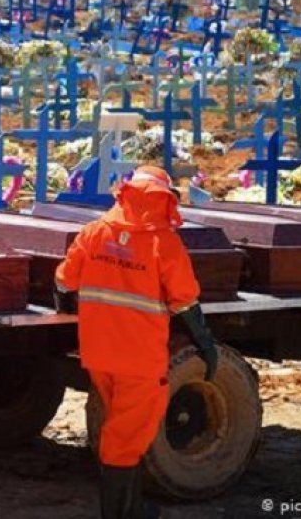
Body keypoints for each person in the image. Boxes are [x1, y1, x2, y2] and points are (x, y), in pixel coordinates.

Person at [54, 166, 218, 519]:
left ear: (125, 194)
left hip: (98, 355)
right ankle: (120, 513)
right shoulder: (164, 243)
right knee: (127, 438)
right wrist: (205, 342)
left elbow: (65, 281)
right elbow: (185, 300)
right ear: (164, 200)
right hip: (139, 360)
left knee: (120, 429)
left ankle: (130, 507)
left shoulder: (95, 232)